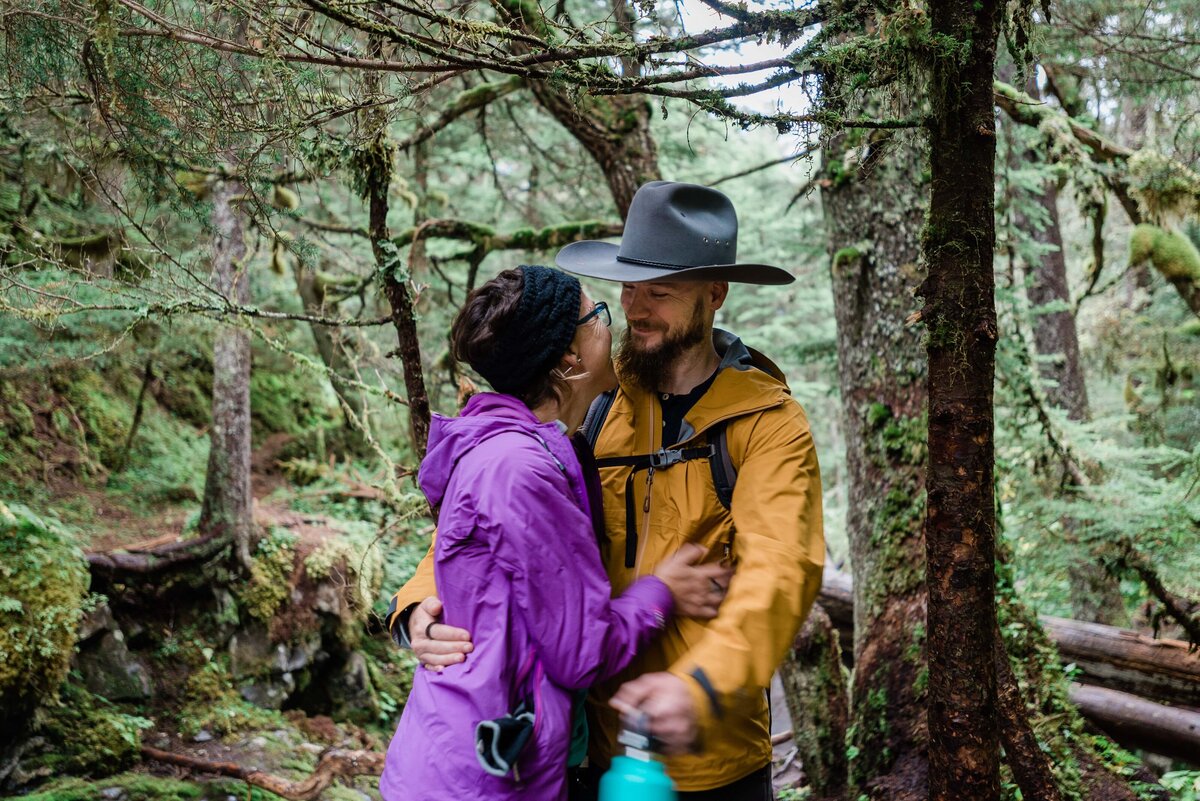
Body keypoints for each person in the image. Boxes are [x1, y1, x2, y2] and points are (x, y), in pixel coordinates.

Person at [389, 182, 825, 799]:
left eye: (662, 292)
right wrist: (417, 604)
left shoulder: (767, 423)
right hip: (585, 747)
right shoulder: (594, 403)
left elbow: (783, 571)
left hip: (710, 757)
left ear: (715, 295)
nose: (637, 308)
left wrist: (703, 684)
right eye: (629, 287)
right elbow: (489, 515)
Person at [378, 265, 729, 801]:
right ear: (570, 358)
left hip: (472, 755)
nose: (614, 325)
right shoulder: (522, 468)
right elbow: (582, 652)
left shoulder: (514, 447)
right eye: (599, 316)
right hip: (483, 779)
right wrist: (663, 593)